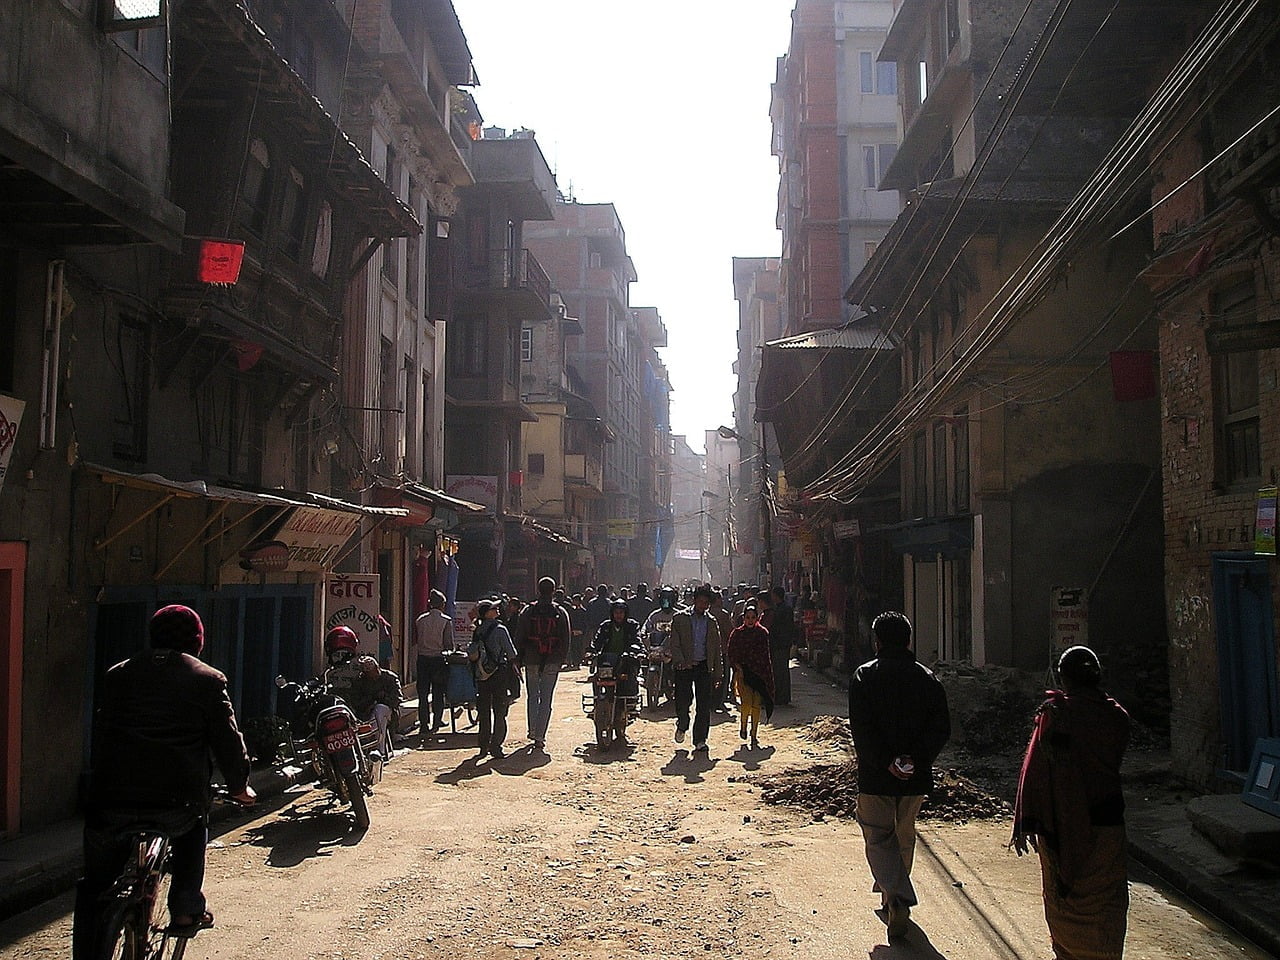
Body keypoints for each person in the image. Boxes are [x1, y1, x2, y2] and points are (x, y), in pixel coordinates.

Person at [74, 605, 255, 959]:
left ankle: (85, 949)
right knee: (192, 830)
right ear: (197, 642)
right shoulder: (207, 679)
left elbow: (104, 731)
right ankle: (186, 906)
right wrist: (239, 785)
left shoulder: (118, 674)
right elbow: (227, 741)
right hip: (177, 801)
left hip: (111, 799)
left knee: (94, 886)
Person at [1013, 645, 1131, 960]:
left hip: (1062, 824)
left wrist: (1029, 818)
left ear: (1063, 679)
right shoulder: (1117, 717)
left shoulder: (1056, 715)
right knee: (1106, 901)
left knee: (1064, 898)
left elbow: (1035, 771)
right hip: (1107, 822)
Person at [848, 611, 951, 940]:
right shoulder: (928, 679)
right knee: (903, 836)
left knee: (878, 836)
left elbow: (861, 732)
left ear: (876, 641)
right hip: (914, 778)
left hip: (877, 776)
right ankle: (892, 896)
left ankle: (897, 898)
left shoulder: (864, 677)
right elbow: (941, 729)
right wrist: (914, 760)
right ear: (908, 639)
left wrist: (886, 761)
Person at [515, 576, 573, 752]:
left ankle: (532, 730)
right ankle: (540, 736)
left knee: (533, 696)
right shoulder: (560, 612)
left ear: (538, 589)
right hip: (552, 660)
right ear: (554, 590)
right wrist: (561, 658)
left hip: (531, 659)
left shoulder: (528, 611)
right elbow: (566, 638)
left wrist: (519, 658)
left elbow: (519, 636)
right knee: (546, 698)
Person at [665, 583, 722, 753]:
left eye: (706, 603)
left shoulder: (711, 622)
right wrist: (682, 661)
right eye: (701, 602)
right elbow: (674, 644)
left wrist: (718, 674)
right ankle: (682, 724)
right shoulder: (680, 619)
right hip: (684, 667)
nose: (703, 606)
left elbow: (716, 649)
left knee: (704, 705)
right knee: (683, 701)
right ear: (695, 600)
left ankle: (700, 740)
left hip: (703, 667)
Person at [588, 598, 645, 745]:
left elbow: (637, 640)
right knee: (596, 680)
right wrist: (591, 651)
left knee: (628, 685)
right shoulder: (605, 626)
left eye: (621, 612)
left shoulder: (632, 626)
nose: (618, 615)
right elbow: (597, 641)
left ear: (625, 614)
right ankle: (597, 708)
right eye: (616, 612)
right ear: (612, 613)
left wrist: (636, 652)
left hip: (624, 663)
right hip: (607, 664)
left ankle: (629, 708)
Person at [468, 599, 518, 760]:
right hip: (499, 673)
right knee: (499, 711)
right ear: (487, 612)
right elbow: (511, 653)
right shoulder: (500, 629)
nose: (497, 610)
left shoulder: (478, 629)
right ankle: (496, 746)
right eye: (493, 608)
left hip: (482, 675)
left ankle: (483, 745)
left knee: (483, 711)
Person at [726, 603, 774, 748]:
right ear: (743, 618)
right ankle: (743, 727)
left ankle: (754, 734)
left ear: (757, 618)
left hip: (759, 674)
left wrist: (767, 676)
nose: (750, 620)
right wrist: (738, 667)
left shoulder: (763, 633)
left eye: (753, 617)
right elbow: (731, 652)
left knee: (756, 705)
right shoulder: (737, 634)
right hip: (743, 675)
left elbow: (766, 655)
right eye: (748, 617)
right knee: (746, 703)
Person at [413, 589, 454, 736]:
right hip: (438, 660)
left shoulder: (420, 620)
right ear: (442, 605)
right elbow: (449, 644)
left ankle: (424, 725)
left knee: (422, 694)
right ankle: (437, 721)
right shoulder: (446, 621)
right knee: (438, 693)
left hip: (422, 660)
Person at [351, 656, 402, 757]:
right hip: (365, 714)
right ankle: (378, 749)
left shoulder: (390, 678)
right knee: (378, 717)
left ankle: (379, 749)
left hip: (388, 713)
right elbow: (356, 703)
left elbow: (397, 700)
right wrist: (370, 700)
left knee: (380, 711)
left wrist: (384, 698)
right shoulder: (359, 682)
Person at [708, 588, 735, 708]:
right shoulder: (723, 614)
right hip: (722, 649)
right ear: (717, 600)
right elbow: (730, 632)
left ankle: (710, 699)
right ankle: (719, 701)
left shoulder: (706, 613)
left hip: (707, 651)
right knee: (723, 676)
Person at [770, 586, 796, 706]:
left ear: (776, 596)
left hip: (781, 644)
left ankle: (782, 697)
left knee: (780, 671)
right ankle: (782, 696)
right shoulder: (783, 608)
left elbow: (785, 628)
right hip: (782, 643)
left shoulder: (783, 609)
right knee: (781, 671)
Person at [568, 593, 590, 668]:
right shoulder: (572, 611)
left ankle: (578, 661)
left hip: (580, 632)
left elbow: (585, 622)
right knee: (573, 647)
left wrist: (583, 631)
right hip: (573, 631)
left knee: (579, 647)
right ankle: (574, 661)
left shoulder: (583, 611)